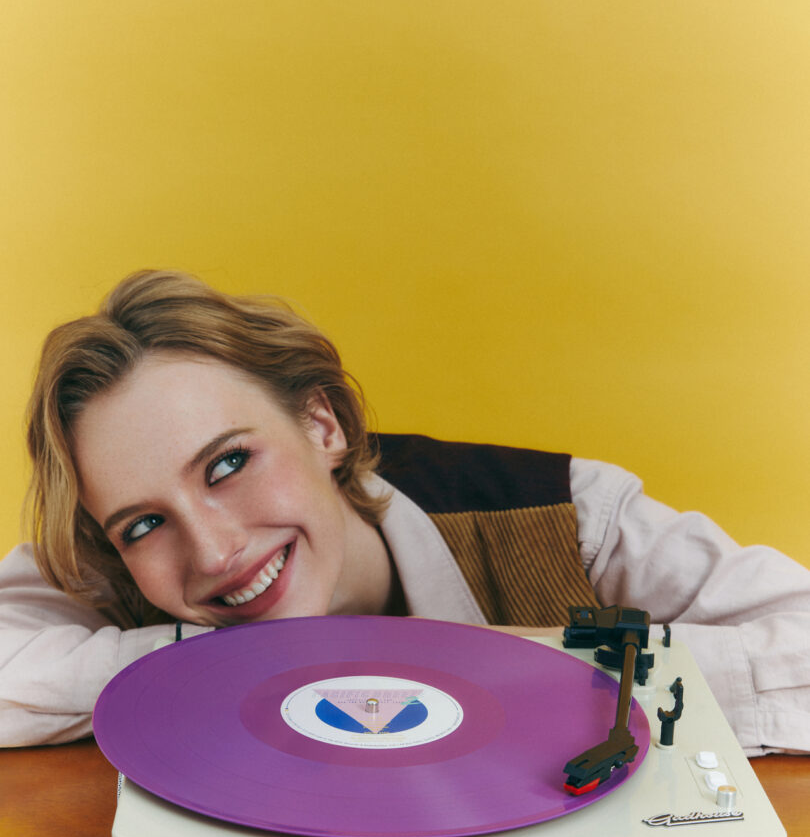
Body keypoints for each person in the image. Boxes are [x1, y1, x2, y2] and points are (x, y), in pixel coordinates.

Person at [1, 269, 809, 753]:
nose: (212, 551)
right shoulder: (116, 570)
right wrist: (195, 668)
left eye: (228, 463)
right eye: (143, 523)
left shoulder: (571, 514)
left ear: (325, 424)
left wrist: (519, 671)